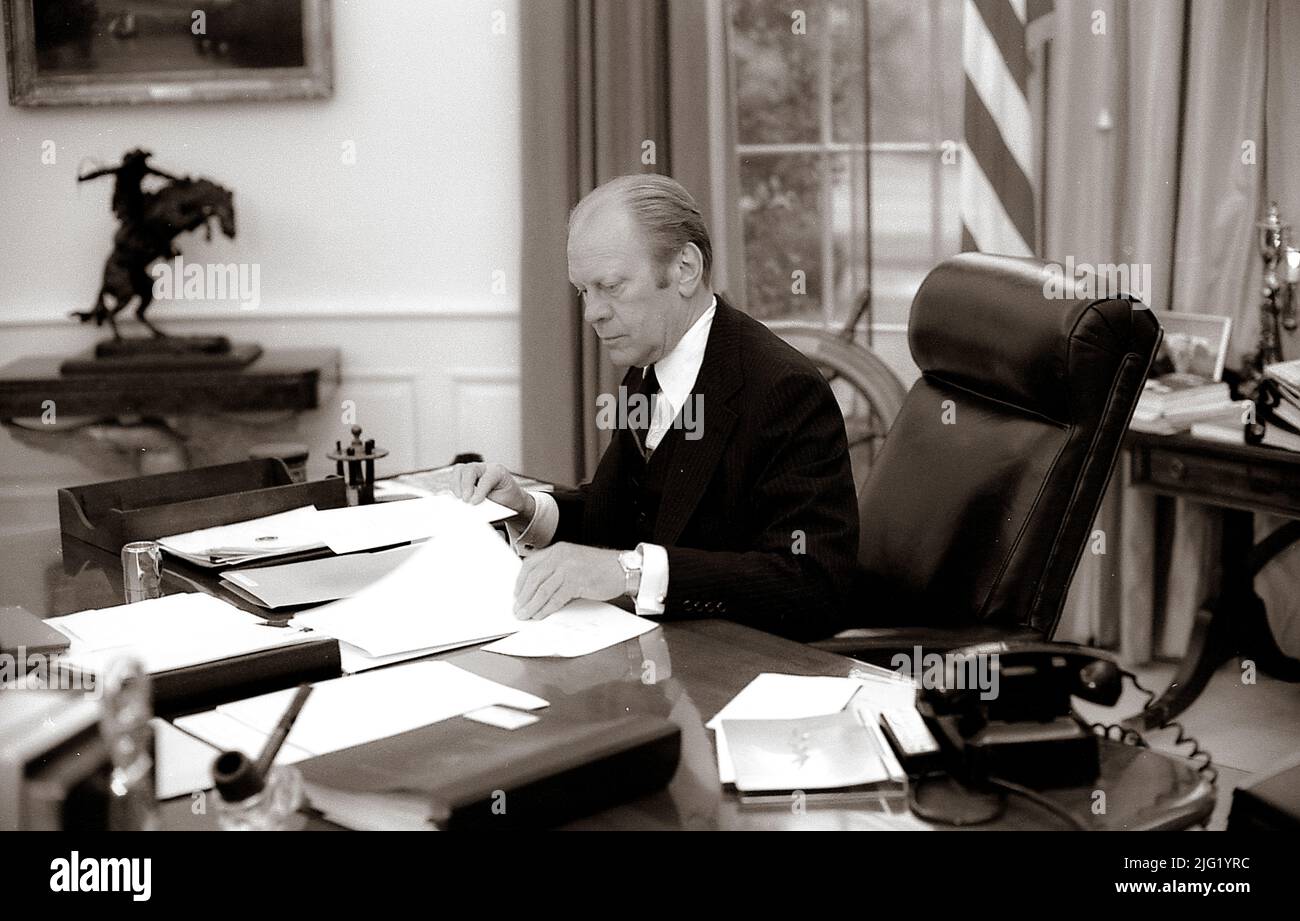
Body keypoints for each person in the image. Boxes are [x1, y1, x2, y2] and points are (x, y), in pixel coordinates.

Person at [454, 174, 858, 641]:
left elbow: (813, 585)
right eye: (584, 291)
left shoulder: (784, 390)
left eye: (611, 287)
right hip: (661, 655)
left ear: (685, 268)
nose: (592, 313)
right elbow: (625, 512)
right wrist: (527, 508)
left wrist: (630, 572)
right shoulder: (647, 369)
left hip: (738, 670)